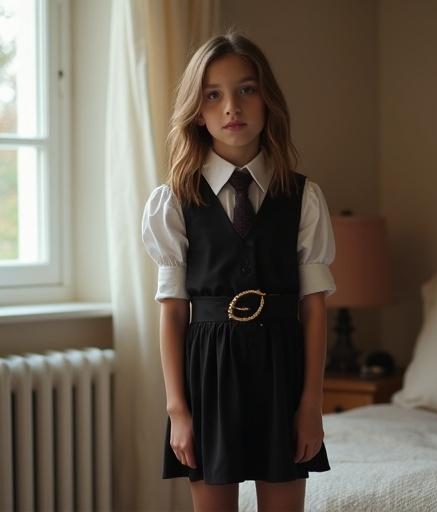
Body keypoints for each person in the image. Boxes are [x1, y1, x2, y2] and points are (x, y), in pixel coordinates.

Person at [141, 28, 336, 512]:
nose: (232, 106)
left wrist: (310, 404)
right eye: (214, 95)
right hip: (206, 378)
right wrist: (177, 410)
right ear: (198, 110)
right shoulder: (173, 201)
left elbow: (314, 309)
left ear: (267, 99)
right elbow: (172, 314)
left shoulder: (303, 197)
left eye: (246, 90)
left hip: (282, 376)